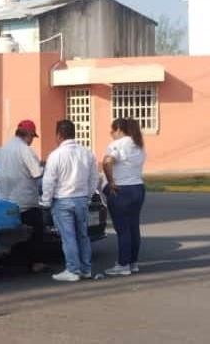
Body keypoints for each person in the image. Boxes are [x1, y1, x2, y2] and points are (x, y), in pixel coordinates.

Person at [40, 120, 99, 282]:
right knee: (83, 235)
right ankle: (86, 268)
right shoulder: (87, 153)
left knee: (68, 237)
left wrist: (45, 201)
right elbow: (94, 177)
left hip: (62, 200)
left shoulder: (56, 155)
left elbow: (49, 181)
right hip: (81, 198)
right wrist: (88, 195)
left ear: (59, 135)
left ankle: (72, 269)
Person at [0, 120, 46, 272]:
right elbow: (37, 173)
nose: (32, 140)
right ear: (28, 135)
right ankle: (36, 263)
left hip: (6, 197)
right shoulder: (25, 149)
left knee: (14, 231)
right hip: (25, 198)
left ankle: (13, 260)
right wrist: (46, 165)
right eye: (32, 137)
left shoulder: (4, 148)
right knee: (36, 231)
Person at [102, 118, 147, 277]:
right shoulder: (139, 145)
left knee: (122, 230)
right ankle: (133, 263)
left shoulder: (118, 144)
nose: (111, 134)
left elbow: (107, 162)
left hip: (121, 190)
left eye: (112, 130)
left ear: (119, 129)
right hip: (138, 188)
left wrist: (111, 181)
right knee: (134, 227)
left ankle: (123, 265)